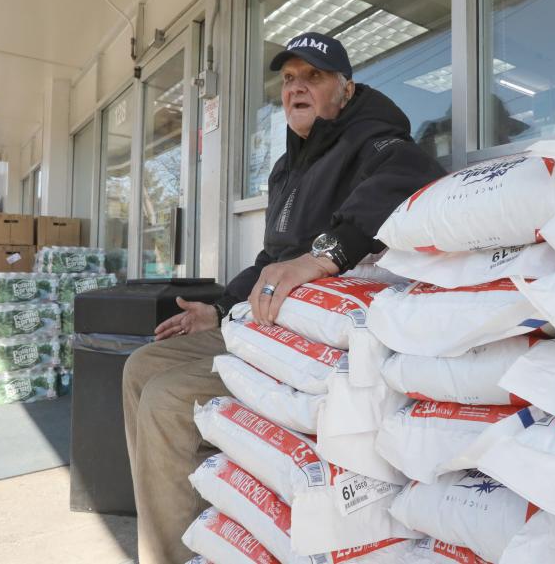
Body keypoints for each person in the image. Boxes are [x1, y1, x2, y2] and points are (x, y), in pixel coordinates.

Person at [122, 31, 446, 564]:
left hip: (309, 348)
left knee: (167, 397)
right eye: (289, 78)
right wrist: (220, 306)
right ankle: (177, 528)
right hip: (265, 329)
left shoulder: (377, 141)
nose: (297, 88)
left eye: (313, 77)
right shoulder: (285, 168)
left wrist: (326, 253)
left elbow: (410, 179)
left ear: (345, 88)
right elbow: (271, 260)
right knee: (140, 365)